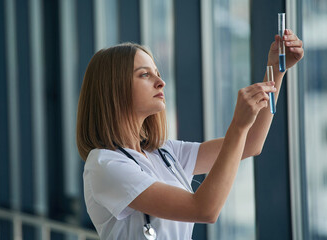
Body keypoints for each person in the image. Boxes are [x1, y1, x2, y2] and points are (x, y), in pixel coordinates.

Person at [76, 29, 304, 239]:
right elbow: (204, 209)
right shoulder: (105, 165)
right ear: (113, 89)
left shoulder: (163, 152)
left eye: (157, 73)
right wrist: (237, 125)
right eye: (145, 75)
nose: (161, 82)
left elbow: (250, 143)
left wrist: (276, 70)